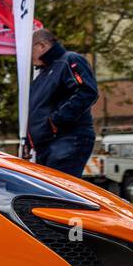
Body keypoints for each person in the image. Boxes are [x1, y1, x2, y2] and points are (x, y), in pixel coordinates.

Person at [27, 28, 99, 176]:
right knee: (50, 194)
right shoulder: (42, 75)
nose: (29, 55)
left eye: (30, 49)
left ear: (42, 45)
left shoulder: (70, 60)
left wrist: (56, 120)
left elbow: (87, 91)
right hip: (47, 144)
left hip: (68, 138)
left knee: (60, 194)